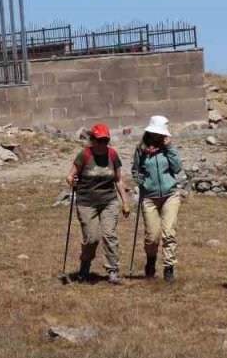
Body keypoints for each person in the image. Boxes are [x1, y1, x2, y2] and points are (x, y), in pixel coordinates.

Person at [64, 123, 131, 284]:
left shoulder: (112, 155)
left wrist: (125, 202)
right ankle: (85, 264)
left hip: (108, 201)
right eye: (99, 140)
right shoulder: (84, 155)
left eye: (105, 141)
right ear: (92, 140)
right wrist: (71, 181)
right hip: (87, 202)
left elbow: (119, 180)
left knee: (110, 235)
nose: (102, 144)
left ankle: (113, 269)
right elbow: (70, 175)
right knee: (91, 238)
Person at [133, 115, 183, 282]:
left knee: (169, 232)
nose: (159, 136)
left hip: (170, 195)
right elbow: (135, 169)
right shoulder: (141, 149)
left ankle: (169, 267)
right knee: (152, 236)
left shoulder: (168, 148)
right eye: (156, 133)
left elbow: (177, 168)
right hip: (149, 197)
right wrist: (141, 181)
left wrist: (171, 148)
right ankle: (151, 260)